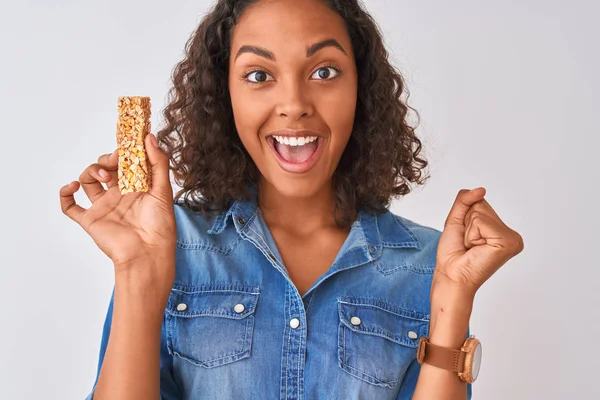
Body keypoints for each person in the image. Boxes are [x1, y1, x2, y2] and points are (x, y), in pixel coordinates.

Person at [59, 0, 524, 399]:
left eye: (324, 71)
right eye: (259, 74)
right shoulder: (167, 246)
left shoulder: (430, 265)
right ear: (226, 96)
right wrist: (138, 272)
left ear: (361, 89)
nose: (294, 102)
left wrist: (452, 300)